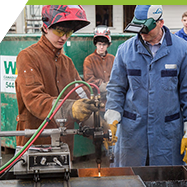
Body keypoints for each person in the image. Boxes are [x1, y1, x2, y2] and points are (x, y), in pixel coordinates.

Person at [15, 5, 102, 159]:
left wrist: (101, 125)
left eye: (68, 32)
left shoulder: (67, 63)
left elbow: (81, 97)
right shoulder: (28, 57)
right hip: (35, 146)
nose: (63, 37)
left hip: (64, 149)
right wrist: (71, 108)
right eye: (59, 31)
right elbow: (34, 100)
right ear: (45, 27)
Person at [104, 5, 187, 167]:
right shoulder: (125, 51)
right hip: (133, 134)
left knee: (166, 180)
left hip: (167, 135)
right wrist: (112, 118)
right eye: (138, 28)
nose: (142, 33)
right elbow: (116, 88)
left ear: (160, 22)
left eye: (146, 29)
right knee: (129, 180)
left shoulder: (182, 50)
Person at [83, 25, 115, 118]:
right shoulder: (89, 60)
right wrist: (104, 86)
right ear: (95, 44)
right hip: (96, 105)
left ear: (108, 45)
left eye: (104, 44)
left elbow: (118, 77)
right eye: (99, 44)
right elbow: (89, 80)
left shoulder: (113, 59)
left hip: (112, 104)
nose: (101, 47)